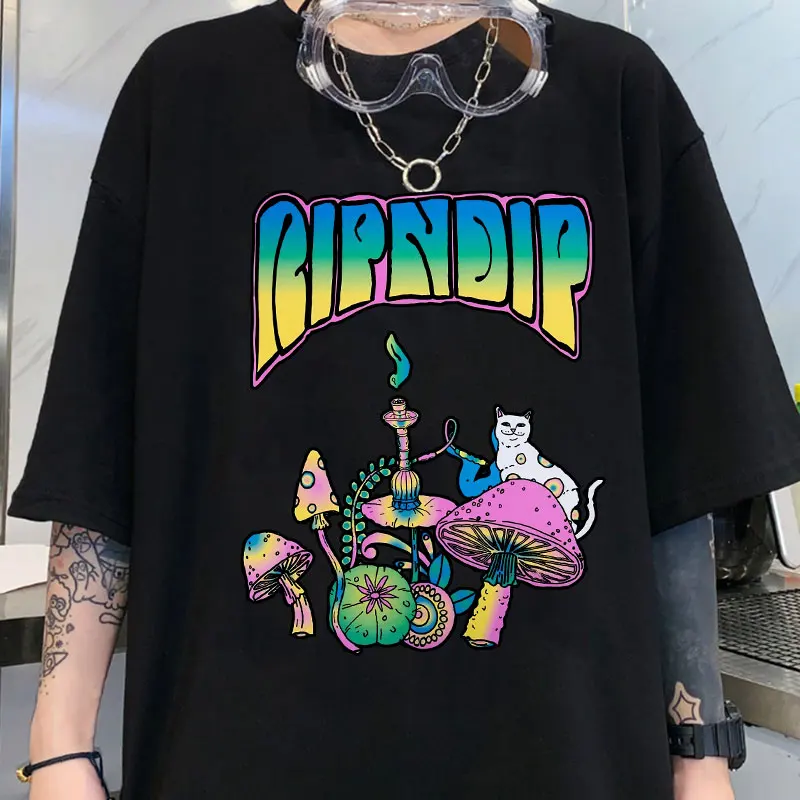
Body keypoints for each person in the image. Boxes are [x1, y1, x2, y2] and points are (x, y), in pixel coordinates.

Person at [9, 2, 800, 798]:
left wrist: (700, 750)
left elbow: (684, 475)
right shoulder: (185, 92)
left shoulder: (616, 92)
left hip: (563, 761)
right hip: (238, 756)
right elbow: (95, 453)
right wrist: (59, 748)